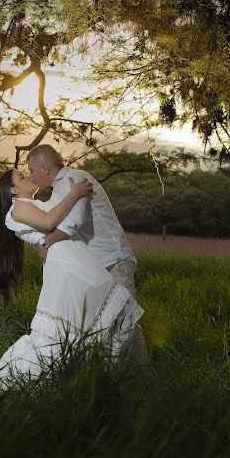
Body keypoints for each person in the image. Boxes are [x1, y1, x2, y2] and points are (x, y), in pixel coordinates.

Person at [0, 169, 145, 387]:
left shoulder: (35, 203)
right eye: (22, 177)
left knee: (97, 316)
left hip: (76, 259)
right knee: (82, 320)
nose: (28, 176)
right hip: (67, 265)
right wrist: (76, 193)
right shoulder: (18, 207)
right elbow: (47, 223)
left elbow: (55, 223)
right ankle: (36, 376)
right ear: (13, 190)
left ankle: (109, 374)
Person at [26, 144, 149, 362]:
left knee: (124, 323)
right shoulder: (60, 190)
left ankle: (145, 382)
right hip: (97, 267)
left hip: (114, 260)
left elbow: (73, 222)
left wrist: (45, 243)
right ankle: (122, 380)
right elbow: (50, 220)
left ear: (45, 168)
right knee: (106, 324)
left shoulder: (76, 178)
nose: (31, 175)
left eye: (32, 170)